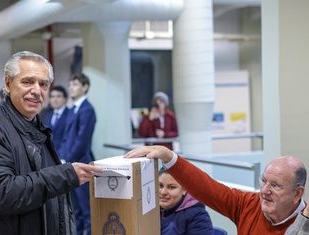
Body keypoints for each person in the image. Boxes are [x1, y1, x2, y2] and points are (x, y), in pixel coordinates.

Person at [0, 51, 102, 235]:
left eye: (43, 84)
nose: (36, 91)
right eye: (27, 82)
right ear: (8, 84)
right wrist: (64, 175)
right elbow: (3, 194)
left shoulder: (36, 126)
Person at [125, 146, 307, 234]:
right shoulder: (248, 204)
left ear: (297, 193)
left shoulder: (304, 224)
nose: (264, 191)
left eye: (275, 186)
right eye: (263, 181)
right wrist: (168, 157)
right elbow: (208, 188)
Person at [59, 73, 96, 235]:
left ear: (85, 87)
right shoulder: (73, 109)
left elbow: (82, 141)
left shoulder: (87, 109)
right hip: (70, 164)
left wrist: (67, 159)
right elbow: (66, 138)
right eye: (70, 84)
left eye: (75, 84)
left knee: (86, 207)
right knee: (75, 208)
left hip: (81, 163)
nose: (71, 88)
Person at [158, 167, 213, 235]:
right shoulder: (151, 209)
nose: (163, 192)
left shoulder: (197, 216)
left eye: (171, 187)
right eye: (160, 186)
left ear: (184, 189)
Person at [42, 85, 69, 155]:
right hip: (48, 154)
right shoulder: (46, 114)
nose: (55, 99)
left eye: (58, 96)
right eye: (52, 96)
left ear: (65, 99)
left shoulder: (71, 114)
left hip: (65, 156)